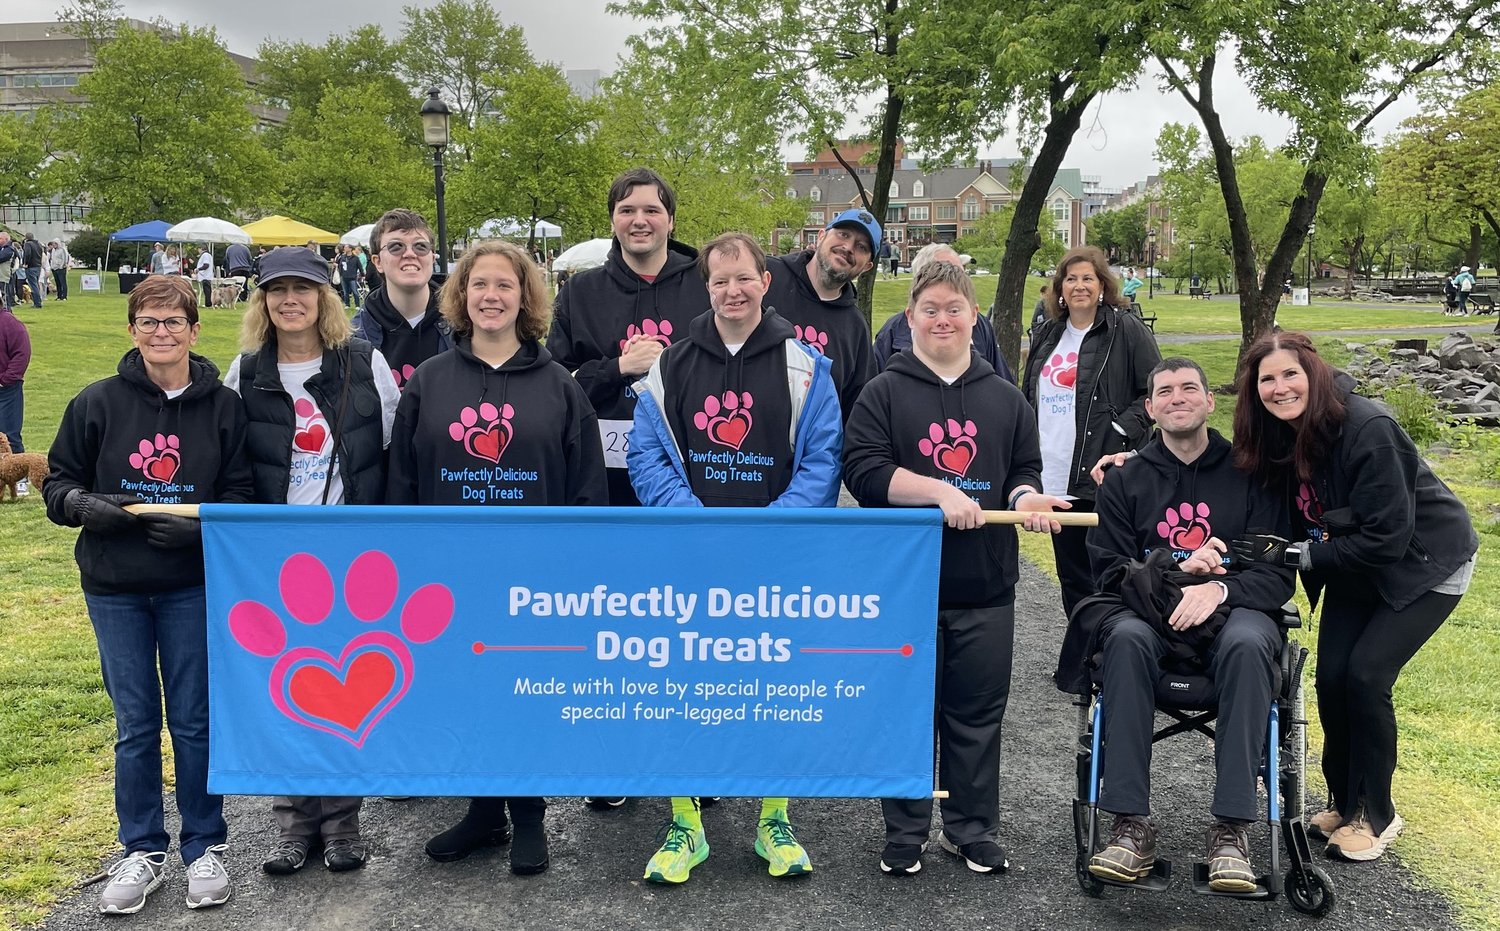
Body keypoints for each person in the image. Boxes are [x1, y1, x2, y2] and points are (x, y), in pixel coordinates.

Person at [387, 240, 607, 876]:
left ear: (526, 298)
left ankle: (529, 814)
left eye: (504, 285)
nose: (491, 296)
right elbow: (402, 482)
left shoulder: (560, 387)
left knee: (523, 689)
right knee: (469, 690)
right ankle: (485, 812)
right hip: (450, 573)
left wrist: (575, 572)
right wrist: (408, 565)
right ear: (460, 296)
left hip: (533, 575)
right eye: (478, 284)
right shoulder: (429, 382)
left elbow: (587, 487)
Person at [628, 232, 841, 883]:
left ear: (765, 282)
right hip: (689, 561)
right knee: (684, 690)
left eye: (743, 277)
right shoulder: (672, 366)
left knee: (772, 692)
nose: (732, 289)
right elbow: (646, 455)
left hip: (774, 567)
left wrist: (765, 535)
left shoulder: (807, 368)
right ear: (707, 287)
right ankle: (685, 825)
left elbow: (821, 463)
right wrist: (696, 527)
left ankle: (774, 821)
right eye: (720, 280)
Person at [844, 260, 1066, 877]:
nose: (943, 319)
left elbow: (1022, 470)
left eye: (954, 308)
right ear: (909, 318)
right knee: (908, 712)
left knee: (976, 714)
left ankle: (971, 829)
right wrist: (940, 490)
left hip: (986, 587)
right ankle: (907, 830)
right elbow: (862, 471)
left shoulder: (1004, 398)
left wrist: (1026, 501)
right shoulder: (882, 392)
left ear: (974, 318)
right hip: (904, 587)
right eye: (930, 309)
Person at [43, 275, 253, 913]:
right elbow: (57, 485)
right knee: (135, 724)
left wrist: (199, 530)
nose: (162, 333)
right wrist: (83, 505)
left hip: (190, 584)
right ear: (132, 329)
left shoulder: (223, 407)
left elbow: (241, 493)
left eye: (173, 321)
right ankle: (142, 848)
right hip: (115, 587)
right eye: (149, 321)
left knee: (193, 721)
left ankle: (203, 845)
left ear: (194, 329)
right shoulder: (96, 402)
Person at [1230, 331, 1478, 862]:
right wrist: (1137, 459)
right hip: (1352, 567)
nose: (1278, 388)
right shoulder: (1279, 435)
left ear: (1313, 372)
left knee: (1366, 675)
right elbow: (1229, 473)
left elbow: (1387, 538)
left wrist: (1303, 557)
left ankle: (1377, 814)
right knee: (1331, 677)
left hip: (1423, 566)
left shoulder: (1369, 428)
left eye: (1289, 373)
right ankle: (1344, 803)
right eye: (1266, 379)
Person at [1078, 357, 1294, 892]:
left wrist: (1217, 586)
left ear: (1209, 401)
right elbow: (1107, 571)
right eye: (1165, 391)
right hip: (1151, 614)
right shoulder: (1126, 479)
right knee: (1123, 638)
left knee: (1249, 643)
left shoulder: (1253, 474)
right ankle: (1129, 825)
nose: (1178, 397)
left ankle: (1231, 830)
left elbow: (1276, 575)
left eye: (1189, 388)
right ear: (1150, 408)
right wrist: (1176, 568)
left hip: (1235, 610)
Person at [222, 247, 400, 876]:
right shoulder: (244, 375)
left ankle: (344, 824)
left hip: (349, 559)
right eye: (277, 290)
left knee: (345, 690)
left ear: (326, 297)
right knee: (289, 690)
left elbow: (391, 446)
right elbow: (228, 464)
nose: (289, 300)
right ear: (263, 302)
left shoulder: (364, 362)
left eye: (303, 288)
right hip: (275, 561)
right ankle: (294, 825)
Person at [545, 167, 710, 507]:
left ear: (671, 221)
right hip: (601, 474)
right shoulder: (580, 292)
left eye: (652, 210)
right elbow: (554, 388)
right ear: (612, 222)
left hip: (686, 470)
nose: (639, 220)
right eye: (627, 210)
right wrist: (619, 366)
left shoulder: (706, 287)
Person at [1021, 245, 1160, 635]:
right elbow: (1029, 392)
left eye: (1088, 278)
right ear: (1059, 289)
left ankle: (1115, 654)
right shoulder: (1047, 334)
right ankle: (1083, 659)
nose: (1079, 286)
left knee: (1109, 573)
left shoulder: (1126, 329)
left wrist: (1120, 432)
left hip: (1103, 471)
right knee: (1072, 575)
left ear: (1102, 285)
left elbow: (1154, 393)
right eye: (1071, 278)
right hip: (1054, 472)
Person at [765, 209, 880, 423]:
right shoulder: (766, 277)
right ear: (821, 236)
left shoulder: (855, 328)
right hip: (748, 443)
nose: (848, 247)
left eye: (861, 247)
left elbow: (856, 411)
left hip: (815, 451)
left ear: (867, 266)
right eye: (843, 234)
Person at [873, 243, 1012, 382]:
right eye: (945, 273)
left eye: (959, 273)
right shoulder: (891, 332)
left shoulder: (981, 325)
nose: (956, 280)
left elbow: (1002, 385)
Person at [351, 210, 452, 390]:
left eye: (420, 246)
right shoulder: (355, 335)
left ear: (432, 257)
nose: (410, 254)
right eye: (396, 246)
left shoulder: (463, 325)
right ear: (377, 262)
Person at [0, 299, 29, 455]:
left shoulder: (9, 323)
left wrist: (6, 380)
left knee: (9, 435)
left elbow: (22, 353)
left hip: (6, 391)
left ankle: (20, 478)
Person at [22, 233, 44, 308]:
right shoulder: (38, 244)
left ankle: (37, 303)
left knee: (33, 285)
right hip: (38, 266)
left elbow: (27, 253)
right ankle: (38, 301)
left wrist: (25, 263)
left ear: (26, 238)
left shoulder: (28, 244)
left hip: (31, 266)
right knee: (36, 284)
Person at [0, 232, 16, 307]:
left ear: (6, 239)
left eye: (0, 239)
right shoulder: (2, 249)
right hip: (1, 275)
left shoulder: (9, 249)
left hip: (5, 276)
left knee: (5, 295)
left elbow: (1, 258)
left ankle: (7, 312)